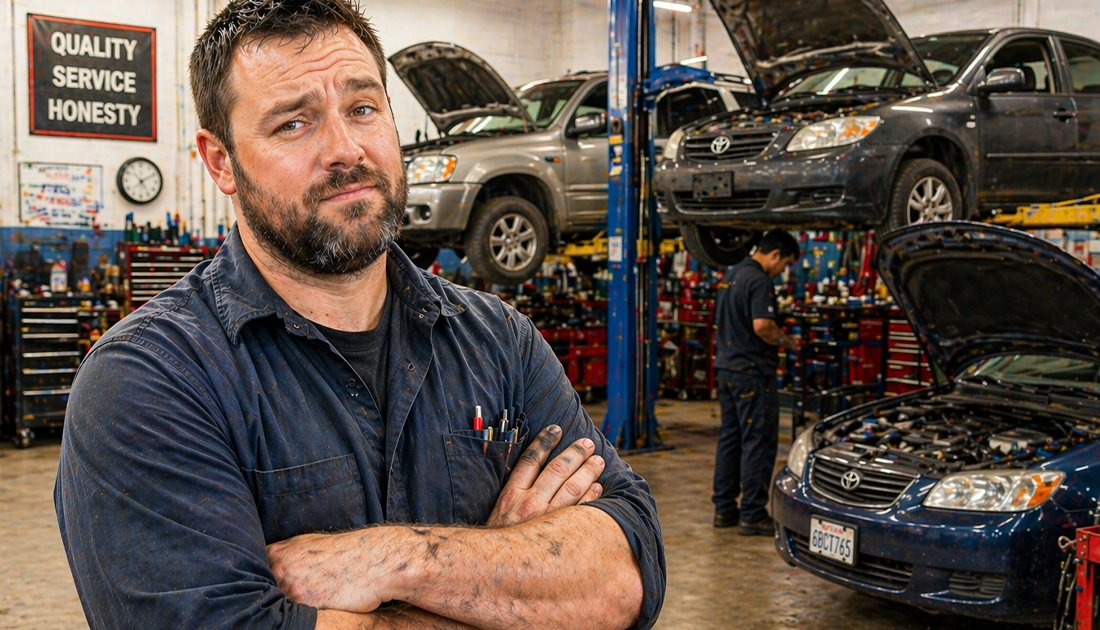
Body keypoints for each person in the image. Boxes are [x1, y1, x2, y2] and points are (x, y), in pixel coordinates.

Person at [54, 1, 664, 629]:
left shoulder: (498, 341)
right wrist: (508, 579)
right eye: (294, 123)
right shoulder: (150, 380)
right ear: (220, 161)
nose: (346, 150)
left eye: (363, 109)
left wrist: (397, 561)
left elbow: (627, 578)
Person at [710, 229, 800, 536]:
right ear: (774, 254)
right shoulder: (760, 281)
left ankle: (724, 509)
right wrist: (788, 341)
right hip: (751, 373)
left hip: (726, 370)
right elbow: (763, 326)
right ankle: (751, 514)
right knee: (757, 443)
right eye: (785, 263)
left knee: (730, 440)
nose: (782, 270)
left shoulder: (730, 276)